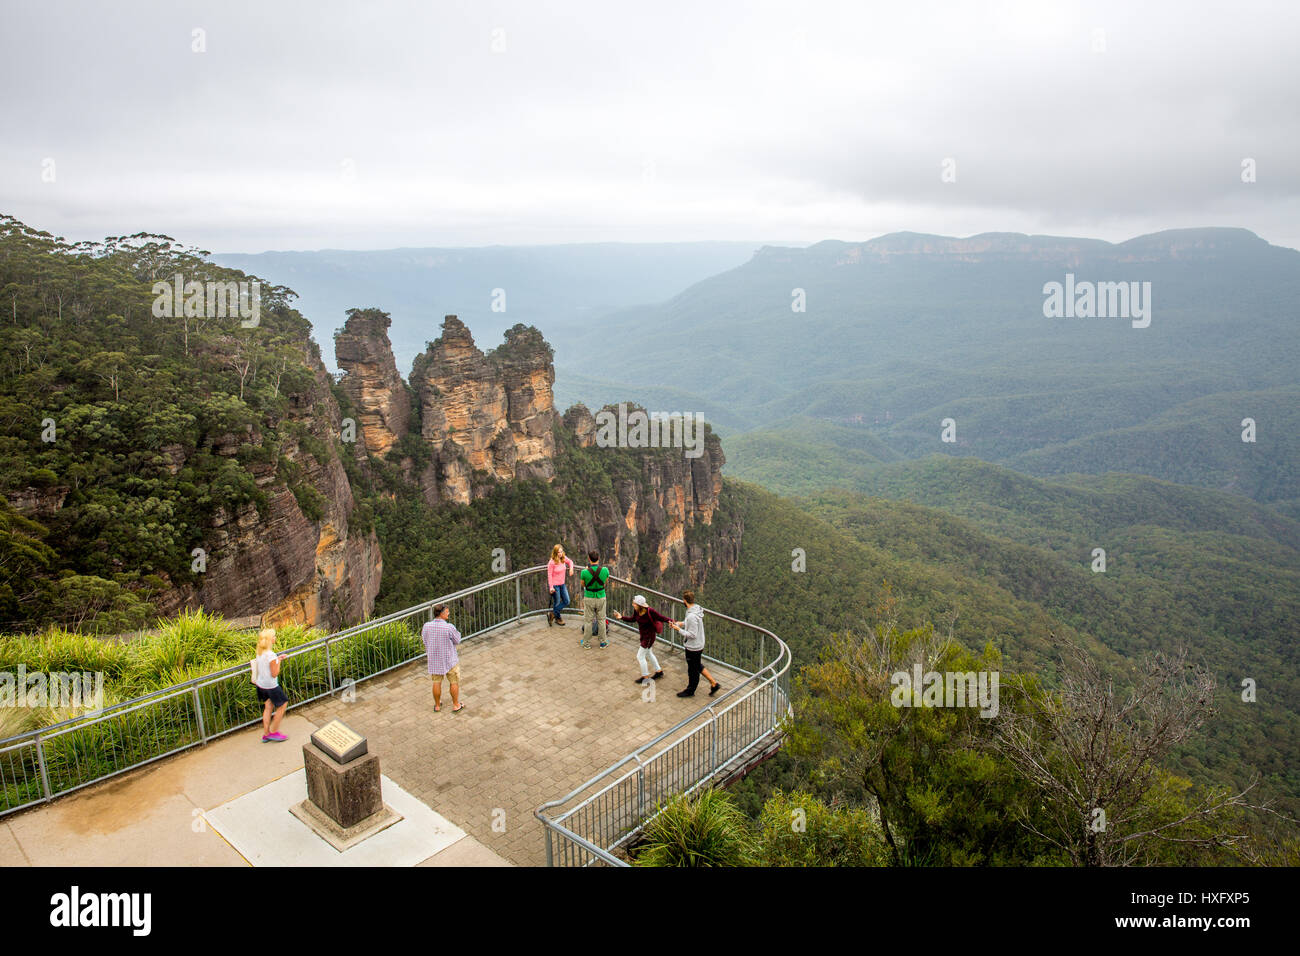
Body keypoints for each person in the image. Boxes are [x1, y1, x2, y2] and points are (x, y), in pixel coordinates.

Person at [612, 595, 670, 684]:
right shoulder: (637, 611)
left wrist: (672, 621)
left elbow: (661, 617)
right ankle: (659, 672)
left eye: (634, 603)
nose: (632, 604)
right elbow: (632, 619)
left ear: (639, 605)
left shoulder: (650, 611)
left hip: (649, 637)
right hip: (643, 636)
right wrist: (621, 617)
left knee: (640, 656)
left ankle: (645, 677)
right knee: (649, 654)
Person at [674, 590, 720, 697]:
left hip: (693, 647)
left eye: (683, 600)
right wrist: (680, 624)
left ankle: (691, 690)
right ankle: (714, 683)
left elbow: (692, 634)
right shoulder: (695, 609)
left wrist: (678, 629)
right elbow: (689, 623)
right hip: (698, 644)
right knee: (697, 665)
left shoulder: (691, 615)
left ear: (685, 600)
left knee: (692, 670)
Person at [421, 603, 464, 712]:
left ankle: (437, 705)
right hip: (450, 659)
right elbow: (457, 640)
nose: (448, 613)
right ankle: (455, 705)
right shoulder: (448, 627)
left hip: (434, 659)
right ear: (441, 613)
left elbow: (424, 640)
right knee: (453, 682)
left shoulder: (427, 626)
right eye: (447, 612)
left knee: (436, 682)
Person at [251, 628, 290, 742]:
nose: (275, 638)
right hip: (271, 686)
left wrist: (277, 659)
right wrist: (278, 662)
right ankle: (274, 732)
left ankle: (266, 733)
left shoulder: (260, 652)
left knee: (268, 707)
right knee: (283, 705)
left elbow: (266, 666)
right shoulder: (271, 655)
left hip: (261, 685)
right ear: (270, 640)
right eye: (273, 636)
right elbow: (274, 673)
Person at [579, 550, 611, 649]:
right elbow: (606, 582)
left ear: (589, 559)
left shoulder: (584, 572)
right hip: (601, 596)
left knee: (588, 620)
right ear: (598, 559)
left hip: (589, 597)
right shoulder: (605, 570)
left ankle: (586, 643)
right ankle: (603, 642)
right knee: (601, 619)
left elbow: (583, 584)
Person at [546, 544, 575, 627]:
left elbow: (570, 562)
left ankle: (552, 614)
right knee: (557, 602)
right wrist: (551, 587)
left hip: (562, 584)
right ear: (555, 553)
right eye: (559, 552)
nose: (560, 553)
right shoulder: (551, 562)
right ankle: (558, 618)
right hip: (555, 585)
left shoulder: (563, 558)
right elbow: (549, 575)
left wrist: (571, 569)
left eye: (561, 552)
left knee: (567, 600)